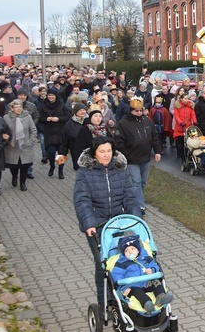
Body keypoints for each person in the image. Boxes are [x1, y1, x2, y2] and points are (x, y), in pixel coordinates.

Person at [74, 136, 141, 311]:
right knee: (102, 263)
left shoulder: (121, 169)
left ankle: (123, 294)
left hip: (118, 223)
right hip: (97, 224)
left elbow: (130, 196)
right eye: (102, 151)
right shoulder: (85, 172)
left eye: (109, 151)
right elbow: (82, 200)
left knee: (123, 258)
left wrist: (134, 220)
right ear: (94, 153)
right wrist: (89, 223)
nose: (106, 155)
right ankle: (105, 301)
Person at [115, 96, 162, 214]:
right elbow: (119, 142)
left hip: (145, 158)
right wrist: (125, 154)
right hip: (131, 159)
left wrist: (157, 151)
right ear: (131, 110)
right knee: (136, 181)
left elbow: (154, 137)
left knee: (143, 182)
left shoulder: (147, 121)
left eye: (141, 110)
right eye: (136, 111)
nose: (139, 112)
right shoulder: (123, 123)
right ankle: (139, 206)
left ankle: (131, 201)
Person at [110, 233, 173, 312]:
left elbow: (154, 265)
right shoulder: (121, 263)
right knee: (138, 292)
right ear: (123, 253)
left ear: (138, 249)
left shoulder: (145, 258)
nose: (130, 252)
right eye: (126, 250)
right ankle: (147, 304)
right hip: (133, 286)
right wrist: (124, 287)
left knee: (156, 282)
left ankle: (161, 297)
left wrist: (152, 270)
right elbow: (117, 275)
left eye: (132, 249)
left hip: (146, 283)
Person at [2, 99, 38, 191]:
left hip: (25, 146)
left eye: (20, 107)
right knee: (13, 166)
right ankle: (14, 177)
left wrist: (31, 141)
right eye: (16, 107)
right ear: (12, 108)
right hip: (12, 146)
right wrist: (5, 138)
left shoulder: (28, 117)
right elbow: (3, 130)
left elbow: (33, 130)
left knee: (24, 166)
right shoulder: (6, 118)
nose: (18, 109)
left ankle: (22, 183)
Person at [38, 87, 70, 179]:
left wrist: (59, 119)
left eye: (52, 95)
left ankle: (60, 170)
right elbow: (40, 118)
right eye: (49, 95)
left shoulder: (62, 105)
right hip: (49, 132)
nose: (50, 97)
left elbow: (68, 116)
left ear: (56, 96)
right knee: (51, 153)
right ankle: (52, 166)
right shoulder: (43, 105)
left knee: (61, 153)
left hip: (60, 132)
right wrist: (46, 119)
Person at [60, 103, 88, 171]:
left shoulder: (89, 121)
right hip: (75, 149)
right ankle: (59, 170)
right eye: (80, 110)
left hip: (88, 149)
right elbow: (66, 138)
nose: (83, 112)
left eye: (84, 110)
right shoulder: (70, 123)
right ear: (76, 112)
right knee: (78, 168)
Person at [172, 93, 196, 163]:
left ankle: (187, 156)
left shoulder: (190, 106)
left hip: (188, 127)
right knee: (180, 144)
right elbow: (176, 116)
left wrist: (194, 121)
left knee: (188, 144)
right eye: (185, 98)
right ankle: (182, 157)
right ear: (181, 99)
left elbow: (193, 115)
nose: (187, 100)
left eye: (187, 98)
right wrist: (180, 122)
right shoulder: (178, 107)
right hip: (180, 128)